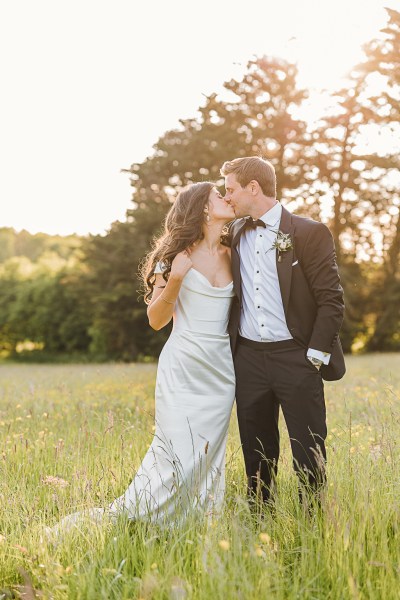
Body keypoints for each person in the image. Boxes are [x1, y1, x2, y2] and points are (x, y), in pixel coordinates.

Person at [47, 182, 236, 538]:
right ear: (203, 208)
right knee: (175, 450)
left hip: (221, 371)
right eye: (218, 195)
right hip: (183, 367)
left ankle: (196, 523)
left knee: (208, 453)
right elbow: (156, 319)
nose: (227, 198)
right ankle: (142, 518)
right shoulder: (174, 257)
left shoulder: (234, 252)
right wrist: (177, 279)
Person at [221, 156, 345, 509]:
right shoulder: (233, 232)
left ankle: (312, 523)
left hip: (297, 357)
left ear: (253, 188)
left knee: (309, 450)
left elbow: (331, 300)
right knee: (256, 453)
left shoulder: (309, 232)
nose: (227, 197)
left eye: (231, 190)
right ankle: (260, 520)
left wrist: (314, 357)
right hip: (248, 359)